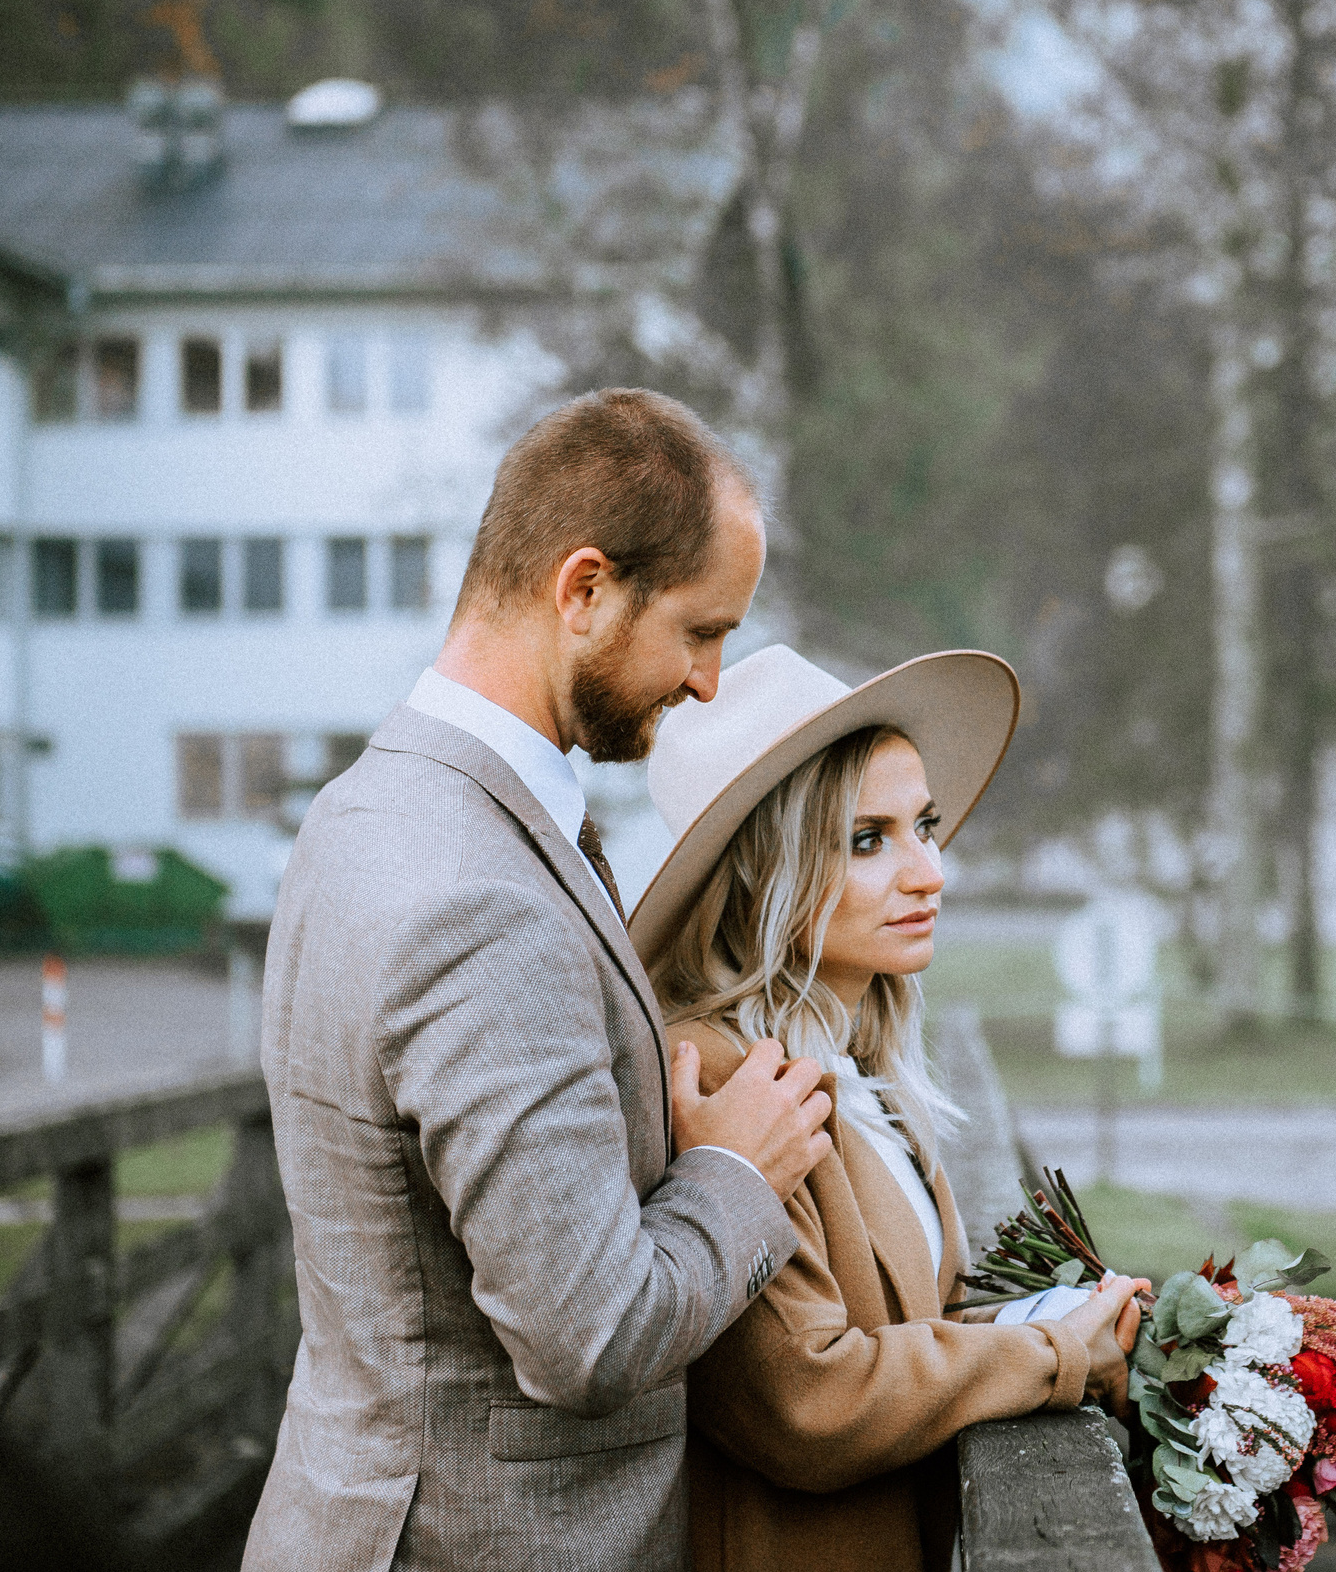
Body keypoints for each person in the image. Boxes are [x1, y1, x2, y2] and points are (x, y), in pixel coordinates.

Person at [245, 388, 835, 1572]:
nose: (712, 681)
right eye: (699, 630)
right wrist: (734, 1169)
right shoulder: (480, 897)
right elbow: (592, 1335)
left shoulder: (363, 806)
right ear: (583, 589)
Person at [626, 644, 1146, 1572]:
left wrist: (1072, 1317)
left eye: (925, 826)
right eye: (868, 840)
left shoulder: (862, 1062)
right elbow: (807, 1400)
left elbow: (909, 1329)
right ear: (762, 872)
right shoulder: (715, 1078)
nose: (928, 872)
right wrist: (1048, 1352)